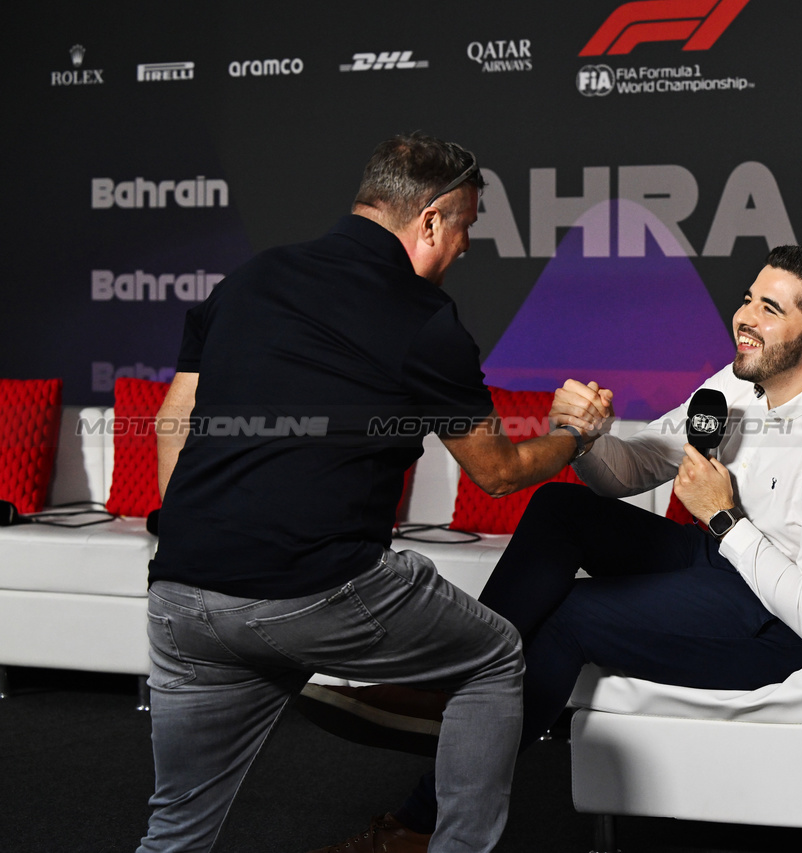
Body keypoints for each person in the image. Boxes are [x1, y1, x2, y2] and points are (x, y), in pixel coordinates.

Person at [303, 245, 802, 840]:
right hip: (718, 563)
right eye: (747, 298)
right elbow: (635, 470)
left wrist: (723, 519)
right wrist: (588, 437)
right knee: (563, 508)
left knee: (571, 615)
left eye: (769, 308)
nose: (744, 316)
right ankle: (454, 682)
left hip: (773, 623)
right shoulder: (739, 385)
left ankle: (416, 823)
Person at [136, 132, 609, 853]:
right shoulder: (423, 319)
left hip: (183, 592)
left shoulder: (248, 280)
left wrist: (197, 534)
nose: (466, 246)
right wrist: (576, 434)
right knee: (494, 657)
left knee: (177, 826)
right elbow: (498, 470)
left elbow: (174, 418)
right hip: (318, 590)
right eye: (467, 227)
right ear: (430, 221)